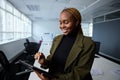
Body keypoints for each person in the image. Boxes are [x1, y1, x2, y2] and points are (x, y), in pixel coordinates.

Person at [34, 7, 96, 80]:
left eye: (66, 22)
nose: (62, 26)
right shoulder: (57, 39)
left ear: (77, 22)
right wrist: (44, 62)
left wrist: (53, 79)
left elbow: (79, 73)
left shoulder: (88, 44)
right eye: (60, 22)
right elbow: (52, 60)